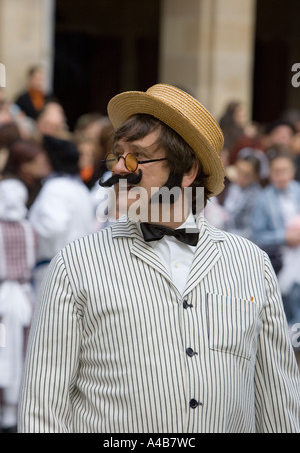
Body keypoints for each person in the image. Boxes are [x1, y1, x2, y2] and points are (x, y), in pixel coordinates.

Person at [18, 84, 300, 433]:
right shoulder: (75, 264)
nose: (121, 168)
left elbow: (277, 402)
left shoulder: (251, 265)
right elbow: (42, 408)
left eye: (136, 156)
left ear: (188, 171)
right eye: (117, 155)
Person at [27, 135, 95, 294]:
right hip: (75, 271)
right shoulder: (79, 188)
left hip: (53, 272)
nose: (39, 159)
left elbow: (52, 227)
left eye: (42, 155)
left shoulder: (55, 188)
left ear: (51, 159)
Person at [0, 179, 36, 432]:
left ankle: (9, 410)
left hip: (7, 300)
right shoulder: (27, 227)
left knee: (5, 349)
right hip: (23, 298)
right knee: (18, 351)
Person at [252, 146, 300, 329]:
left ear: (293, 171)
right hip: (279, 257)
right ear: (270, 173)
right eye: (276, 171)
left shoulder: (298, 191)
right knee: (289, 296)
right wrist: (283, 237)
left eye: (285, 171)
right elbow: (257, 235)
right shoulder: (264, 199)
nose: (281, 176)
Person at [223, 154, 262, 239]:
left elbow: (252, 231)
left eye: (246, 175)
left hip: (241, 240)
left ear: (256, 177)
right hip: (225, 232)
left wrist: (225, 235)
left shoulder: (257, 197)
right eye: (239, 172)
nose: (241, 177)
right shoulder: (233, 187)